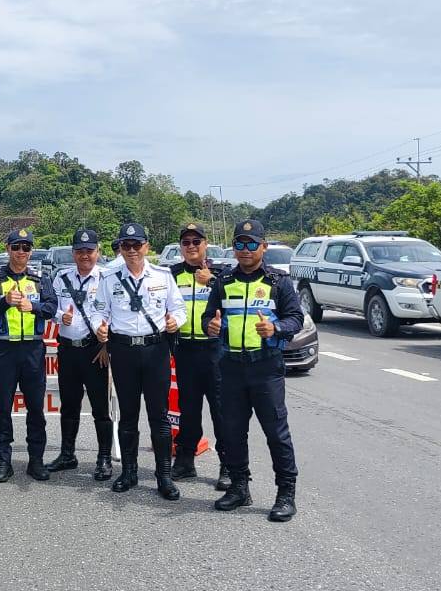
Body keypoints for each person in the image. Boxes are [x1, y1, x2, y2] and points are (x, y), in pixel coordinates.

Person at [201, 219, 303, 522]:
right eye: (239, 244)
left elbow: (296, 318)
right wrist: (212, 326)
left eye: (251, 244)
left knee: (276, 433)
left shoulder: (278, 282)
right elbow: (209, 318)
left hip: (265, 367)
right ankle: (239, 488)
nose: (245, 250)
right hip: (231, 367)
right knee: (232, 432)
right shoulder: (223, 282)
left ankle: (286, 494)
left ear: (263, 247)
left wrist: (275, 327)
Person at [90, 222, 184, 501]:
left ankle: (164, 475)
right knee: (128, 415)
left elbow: (179, 308)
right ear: (119, 248)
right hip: (123, 351)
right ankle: (129, 471)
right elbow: (98, 311)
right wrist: (99, 327)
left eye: (136, 245)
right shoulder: (109, 279)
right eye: (125, 246)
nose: (131, 251)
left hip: (155, 350)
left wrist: (174, 321)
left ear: (146, 246)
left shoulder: (163, 276)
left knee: (159, 416)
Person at [0, 228, 58, 482]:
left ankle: (36, 460)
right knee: (2, 407)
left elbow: (51, 308)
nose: (21, 252)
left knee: (36, 408)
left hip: (33, 350)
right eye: (16, 247)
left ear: (31, 251)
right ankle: (3, 461)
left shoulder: (39, 278)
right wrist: (5, 301)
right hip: (4, 350)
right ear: (8, 249)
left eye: (26, 247)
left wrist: (32, 306)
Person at [45, 227, 114, 481]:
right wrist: (58, 315)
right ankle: (67, 454)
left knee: (99, 408)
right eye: (80, 251)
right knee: (69, 406)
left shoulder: (107, 278)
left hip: (95, 351)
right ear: (73, 253)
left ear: (98, 252)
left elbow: (114, 314)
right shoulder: (61, 277)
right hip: (67, 350)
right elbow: (50, 304)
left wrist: (107, 346)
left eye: (89, 250)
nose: (85, 255)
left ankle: (104, 458)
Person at [168, 223, 230, 490]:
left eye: (196, 241)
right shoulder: (172, 274)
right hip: (185, 349)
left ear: (206, 244)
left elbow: (236, 301)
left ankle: (229, 465)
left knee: (221, 409)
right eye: (186, 243)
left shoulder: (222, 274)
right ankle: (184, 460)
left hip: (215, 350)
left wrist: (213, 282)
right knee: (189, 407)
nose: (191, 247)